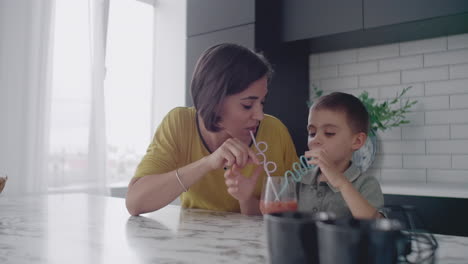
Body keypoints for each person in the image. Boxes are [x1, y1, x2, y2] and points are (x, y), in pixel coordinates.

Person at [126, 43, 298, 216]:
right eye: (247, 105)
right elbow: (135, 203)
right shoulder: (180, 123)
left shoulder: (275, 132)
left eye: (262, 102)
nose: (260, 115)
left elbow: (287, 216)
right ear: (214, 101)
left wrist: (246, 199)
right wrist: (207, 163)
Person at [298, 92, 384, 219]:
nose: (316, 139)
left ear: (357, 141)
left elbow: (375, 225)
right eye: (312, 133)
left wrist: (341, 182)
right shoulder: (299, 180)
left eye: (329, 133)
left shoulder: (366, 184)